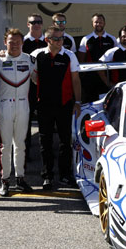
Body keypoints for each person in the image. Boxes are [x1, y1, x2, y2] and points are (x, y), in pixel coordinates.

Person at [32, 26, 82, 191]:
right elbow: (20, 65)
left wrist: (78, 102)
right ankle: (47, 176)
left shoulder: (70, 55)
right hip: (44, 105)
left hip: (64, 104)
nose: (60, 42)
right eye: (56, 39)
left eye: (62, 39)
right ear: (47, 40)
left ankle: (65, 175)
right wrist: (1, 55)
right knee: (44, 142)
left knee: (64, 141)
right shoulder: (36, 55)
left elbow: (76, 80)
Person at [0, 29, 35, 196]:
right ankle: (5, 181)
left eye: (17, 41)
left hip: (24, 106)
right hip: (4, 106)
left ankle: (21, 179)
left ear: (22, 42)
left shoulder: (31, 60)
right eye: (11, 41)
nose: (14, 44)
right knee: (5, 146)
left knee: (21, 145)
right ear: (5, 42)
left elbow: (38, 79)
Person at [22, 14, 47, 166]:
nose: (36, 25)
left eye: (39, 22)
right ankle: (24, 153)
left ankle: (46, 152)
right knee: (26, 121)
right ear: (28, 24)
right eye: (33, 22)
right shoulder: (23, 42)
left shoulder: (48, 41)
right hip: (28, 88)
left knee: (45, 122)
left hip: (45, 87)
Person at [78, 13, 117, 102]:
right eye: (96, 22)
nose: (98, 24)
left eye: (100, 22)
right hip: (90, 78)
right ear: (92, 23)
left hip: (107, 78)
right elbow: (81, 60)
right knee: (90, 103)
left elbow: (115, 57)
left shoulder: (112, 39)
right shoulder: (86, 39)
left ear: (104, 23)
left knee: (107, 103)